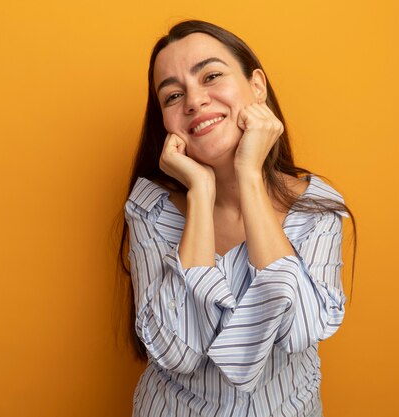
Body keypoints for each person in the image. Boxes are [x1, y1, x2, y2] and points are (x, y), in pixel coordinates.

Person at [118, 20, 356, 417]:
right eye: (173, 95)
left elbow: (301, 328)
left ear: (257, 86)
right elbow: (174, 351)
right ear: (165, 121)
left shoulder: (318, 208)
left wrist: (249, 175)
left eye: (211, 76)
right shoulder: (150, 209)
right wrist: (200, 194)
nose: (194, 101)